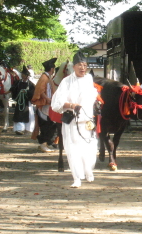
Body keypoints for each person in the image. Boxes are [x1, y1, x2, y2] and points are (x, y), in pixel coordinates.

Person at [51, 51, 98, 188]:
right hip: (72, 121)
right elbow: (57, 103)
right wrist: (71, 105)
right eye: (79, 65)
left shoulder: (89, 79)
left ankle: (88, 172)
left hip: (87, 121)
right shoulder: (67, 81)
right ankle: (76, 178)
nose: (82, 68)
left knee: (89, 149)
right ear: (74, 66)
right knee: (73, 150)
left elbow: (93, 96)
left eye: (84, 65)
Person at [31, 57, 57, 152]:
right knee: (45, 125)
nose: (54, 70)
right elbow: (40, 91)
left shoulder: (47, 77)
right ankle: (43, 144)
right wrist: (47, 99)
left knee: (49, 125)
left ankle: (45, 143)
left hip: (48, 105)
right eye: (53, 68)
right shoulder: (44, 78)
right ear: (51, 69)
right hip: (44, 105)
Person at [10, 65, 35, 135]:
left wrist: (26, 92)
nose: (22, 76)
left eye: (23, 74)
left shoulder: (30, 84)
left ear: (26, 75)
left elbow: (33, 92)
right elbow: (13, 89)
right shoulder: (18, 83)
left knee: (28, 114)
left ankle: (28, 129)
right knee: (18, 114)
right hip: (20, 102)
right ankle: (19, 129)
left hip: (27, 103)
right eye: (22, 74)